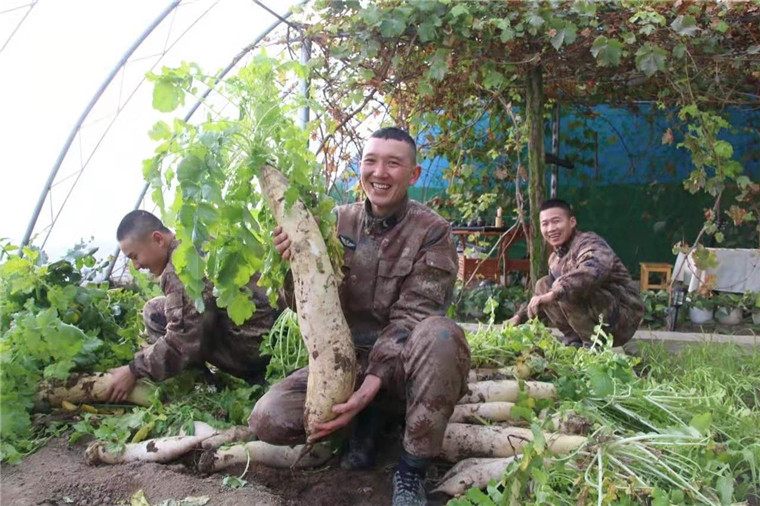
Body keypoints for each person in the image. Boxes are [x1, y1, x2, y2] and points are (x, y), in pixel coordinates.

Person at [249, 127, 471, 506]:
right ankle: (366, 423)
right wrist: (294, 264)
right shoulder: (335, 221)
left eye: (393, 163)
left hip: (403, 366)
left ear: (413, 174)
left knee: (441, 336)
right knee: (268, 417)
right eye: (371, 161)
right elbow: (306, 306)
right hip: (345, 365)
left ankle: (411, 467)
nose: (379, 173)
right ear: (360, 168)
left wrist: (370, 384)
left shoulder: (432, 232)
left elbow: (414, 315)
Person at [105, 210, 282, 402]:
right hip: (268, 334)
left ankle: (206, 391)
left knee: (182, 336)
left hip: (254, 352)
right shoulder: (194, 240)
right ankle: (207, 382)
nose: (136, 266)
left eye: (135, 256)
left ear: (158, 239)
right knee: (154, 310)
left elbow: (181, 341)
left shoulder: (180, 268)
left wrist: (133, 370)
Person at [507, 199, 645, 347]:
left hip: (622, 318)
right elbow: (544, 296)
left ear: (572, 222)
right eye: (545, 224)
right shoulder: (555, 258)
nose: (551, 229)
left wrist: (556, 292)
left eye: (556, 221)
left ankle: (592, 346)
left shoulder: (590, 243)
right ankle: (575, 342)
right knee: (543, 284)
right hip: (597, 315)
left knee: (565, 289)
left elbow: (591, 271)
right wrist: (519, 317)